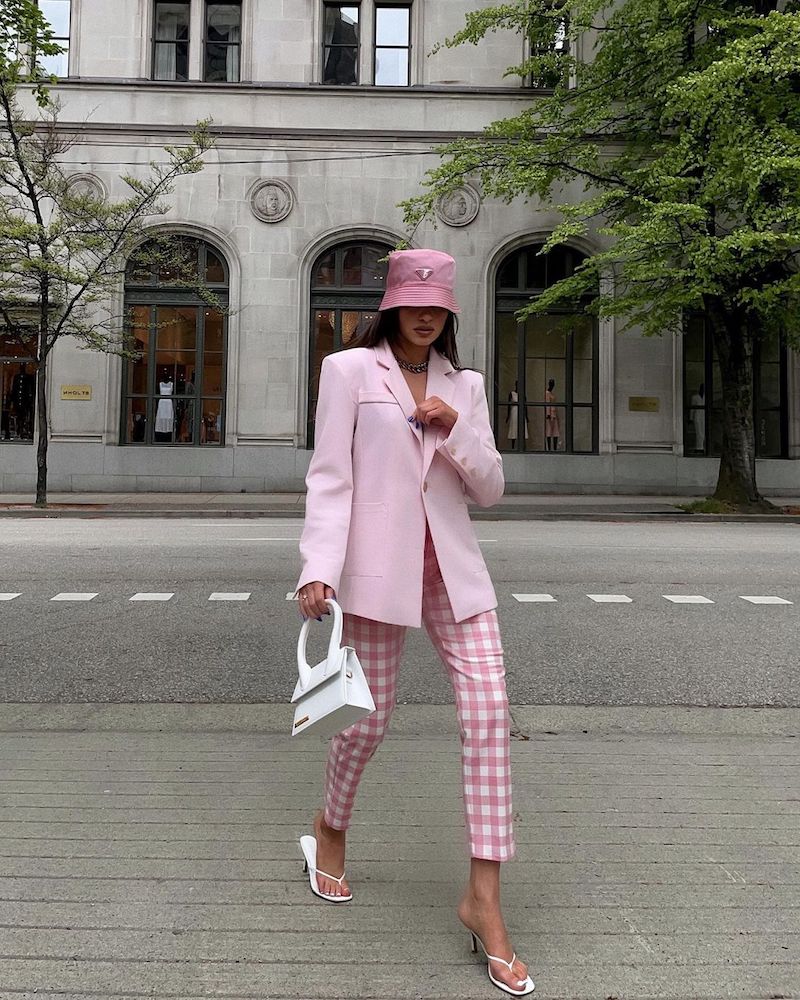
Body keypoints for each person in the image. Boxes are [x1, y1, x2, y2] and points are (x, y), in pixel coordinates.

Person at [295, 249, 534, 996]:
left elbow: (490, 488)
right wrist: (317, 566)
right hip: (377, 570)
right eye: (412, 303)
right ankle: (331, 827)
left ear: (449, 313)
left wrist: (457, 427)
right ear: (392, 305)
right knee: (366, 723)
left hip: (453, 573)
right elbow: (331, 477)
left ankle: (484, 900)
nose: (425, 315)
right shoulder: (347, 372)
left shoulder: (468, 384)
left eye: (438, 306)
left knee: (490, 710)